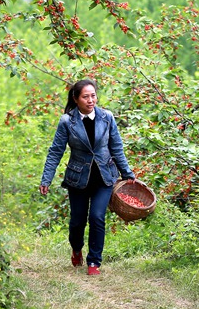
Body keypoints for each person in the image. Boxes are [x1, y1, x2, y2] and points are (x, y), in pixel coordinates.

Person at [40, 79, 135, 276]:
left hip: (104, 177)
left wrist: (127, 173)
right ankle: (76, 249)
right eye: (85, 96)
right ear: (76, 99)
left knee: (97, 217)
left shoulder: (107, 117)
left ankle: (94, 262)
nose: (90, 100)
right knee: (77, 221)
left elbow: (116, 148)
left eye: (93, 95)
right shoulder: (67, 121)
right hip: (78, 179)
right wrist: (46, 179)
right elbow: (55, 151)